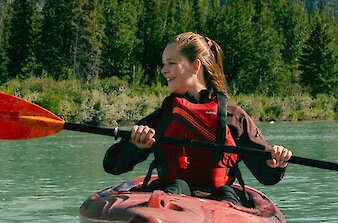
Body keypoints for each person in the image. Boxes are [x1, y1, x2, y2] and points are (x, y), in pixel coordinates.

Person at [103, 32, 292, 206]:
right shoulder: (162, 117)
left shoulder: (233, 118)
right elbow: (112, 165)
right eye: (163, 64)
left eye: (171, 63)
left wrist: (276, 163)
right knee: (177, 187)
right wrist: (134, 146)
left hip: (221, 203)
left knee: (225, 193)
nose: (163, 70)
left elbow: (266, 176)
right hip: (171, 198)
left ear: (195, 66)